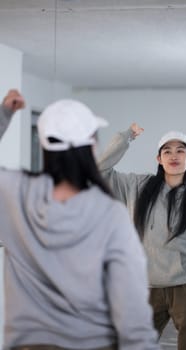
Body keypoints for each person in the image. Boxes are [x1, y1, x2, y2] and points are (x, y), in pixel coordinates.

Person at [0, 91, 160, 350]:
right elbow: (131, 310)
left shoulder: (14, 198)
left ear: (43, 144)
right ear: (92, 144)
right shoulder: (110, 215)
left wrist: (4, 114)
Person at [98, 123, 186, 350]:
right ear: (158, 159)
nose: (174, 156)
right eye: (167, 151)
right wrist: (126, 136)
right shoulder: (137, 187)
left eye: (181, 151)